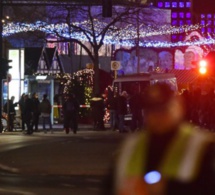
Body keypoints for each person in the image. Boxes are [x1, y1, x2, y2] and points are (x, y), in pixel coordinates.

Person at [109, 83, 215, 195]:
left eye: (163, 109)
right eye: (152, 110)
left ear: (178, 107)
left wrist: (169, 187)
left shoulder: (202, 146)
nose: (157, 115)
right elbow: (111, 186)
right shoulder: (130, 146)